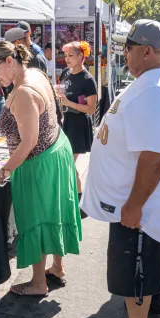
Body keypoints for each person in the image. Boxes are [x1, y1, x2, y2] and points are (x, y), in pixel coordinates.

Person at [82, 20, 160, 318]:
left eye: (128, 47)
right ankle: (153, 303)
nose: (124, 53)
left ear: (148, 51)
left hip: (141, 205)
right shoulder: (153, 80)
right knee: (144, 261)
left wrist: (135, 205)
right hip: (138, 199)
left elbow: (154, 157)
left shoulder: (153, 89)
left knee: (135, 267)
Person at [0, 41, 81, 295]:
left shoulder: (24, 91)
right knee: (54, 211)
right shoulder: (35, 72)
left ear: (9, 62)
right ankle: (57, 268)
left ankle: (38, 283)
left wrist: (2, 172)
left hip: (38, 162)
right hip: (55, 149)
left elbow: (29, 142)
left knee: (37, 218)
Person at [59, 41, 97, 213]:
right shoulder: (66, 73)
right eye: (66, 55)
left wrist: (68, 103)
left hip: (77, 124)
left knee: (68, 162)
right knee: (65, 162)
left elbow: (91, 109)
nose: (67, 59)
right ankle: (73, 199)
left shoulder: (87, 80)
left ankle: (80, 203)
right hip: (64, 121)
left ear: (81, 56)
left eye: (71, 55)